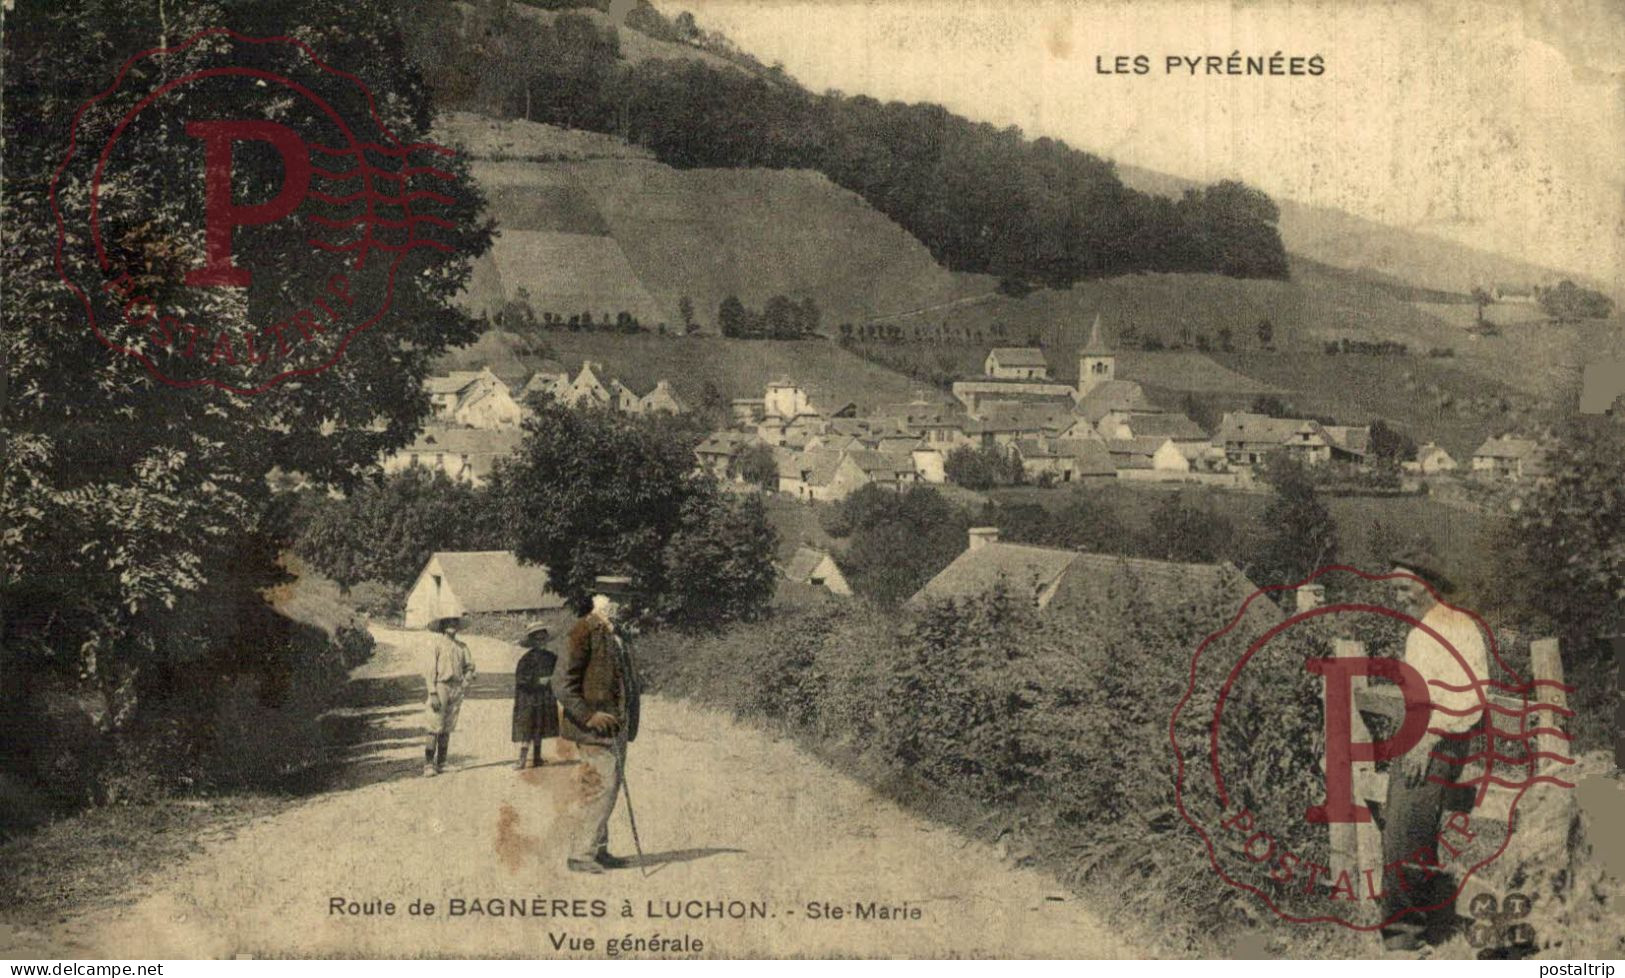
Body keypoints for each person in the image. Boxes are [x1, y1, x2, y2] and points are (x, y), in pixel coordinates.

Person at [1380, 557, 1490, 952]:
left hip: (1443, 740)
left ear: (1429, 584)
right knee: (1399, 832)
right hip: (1416, 737)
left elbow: (1473, 696)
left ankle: (1405, 939)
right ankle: (1406, 930)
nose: (1399, 597)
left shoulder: (1460, 627)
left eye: (1404, 588)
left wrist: (1428, 741)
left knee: (1406, 834)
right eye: (1393, 590)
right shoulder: (1419, 633)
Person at [553, 577, 640, 874]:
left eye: (625, 600)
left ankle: (598, 850)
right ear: (602, 600)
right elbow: (562, 683)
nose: (625, 606)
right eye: (619, 600)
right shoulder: (583, 631)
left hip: (616, 727)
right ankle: (580, 854)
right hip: (593, 729)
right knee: (598, 787)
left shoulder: (615, 634)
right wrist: (588, 715)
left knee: (609, 787)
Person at [422, 614, 477, 777]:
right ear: (442, 626)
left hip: (456, 688)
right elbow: (429, 670)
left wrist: (467, 678)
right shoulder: (436, 645)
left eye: (455, 623)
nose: (452, 626)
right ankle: (428, 764)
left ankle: (442, 762)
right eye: (448, 623)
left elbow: (470, 666)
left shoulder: (462, 647)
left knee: (448, 725)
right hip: (441, 686)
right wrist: (432, 692)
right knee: (434, 724)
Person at [512, 621, 560, 770]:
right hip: (529, 697)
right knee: (528, 726)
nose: (541, 642)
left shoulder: (552, 657)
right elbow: (521, 679)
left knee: (541, 724)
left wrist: (552, 680)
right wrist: (538, 681)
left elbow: (559, 673)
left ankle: (537, 757)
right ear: (531, 641)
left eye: (543, 638)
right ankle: (522, 759)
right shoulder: (526, 660)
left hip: (544, 696)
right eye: (537, 639)